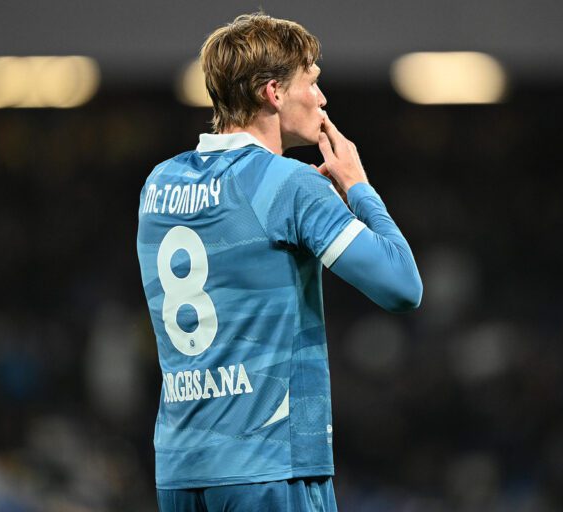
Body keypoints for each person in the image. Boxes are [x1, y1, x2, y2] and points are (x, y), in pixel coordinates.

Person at [136, 12, 422, 512]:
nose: (322, 98)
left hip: (180, 470)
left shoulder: (159, 183)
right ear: (273, 92)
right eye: (311, 81)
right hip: (268, 467)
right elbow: (402, 286)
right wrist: (359, 188)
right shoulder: (288, 183)